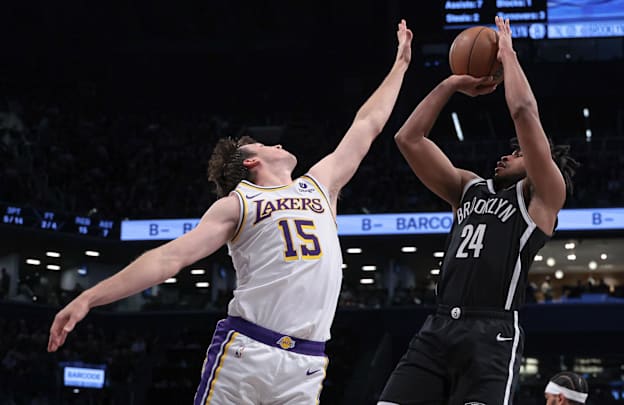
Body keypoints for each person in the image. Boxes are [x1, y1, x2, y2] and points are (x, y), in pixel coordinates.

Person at [48, 19, 413, 404]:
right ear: (251, 162)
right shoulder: (238, 203)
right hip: (247, 352)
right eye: (267, 145)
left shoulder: (319, 184)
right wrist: (89, 298)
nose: (278, 144)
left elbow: (367, 124)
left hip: (306, 362)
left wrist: (400, 66)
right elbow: (169, 258)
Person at [378, 17, 578, 405]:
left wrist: (508, 54)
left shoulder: (543, 196)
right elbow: (408, 138)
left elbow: (523, 111)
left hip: (493, 332)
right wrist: (451, 84)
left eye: (518, 152)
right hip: (437, 326)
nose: (508, 153)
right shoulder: (467, 188)